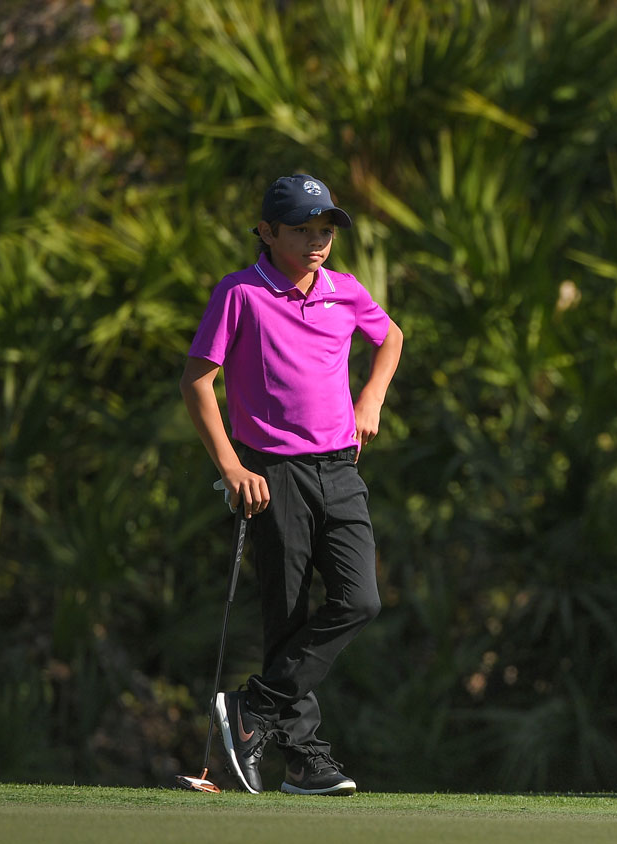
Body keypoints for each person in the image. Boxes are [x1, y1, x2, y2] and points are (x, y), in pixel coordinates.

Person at [180, 174, 405, 795]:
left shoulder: (345, 291)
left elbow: (391, 338)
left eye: (325, 229)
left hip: (340, 469)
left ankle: (252, 708)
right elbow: (198, 382)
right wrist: (231, 467)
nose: (316, 241)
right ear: (267, 232)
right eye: (302, 229)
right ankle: (304, 762)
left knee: (360, 600)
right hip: (271, 472)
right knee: (285, 615)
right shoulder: (241, 293)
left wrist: (371, 399)